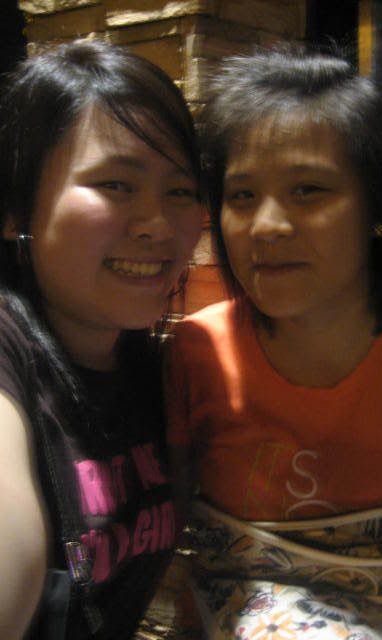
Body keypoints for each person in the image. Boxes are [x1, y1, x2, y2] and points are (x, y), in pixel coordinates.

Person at [166, 46, 382, 639]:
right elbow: (168, 542)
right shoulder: (195, 351)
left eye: (308, 190)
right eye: (242, 196)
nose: (266, 226)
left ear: (378, 208)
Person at [0, 38, 203, 639]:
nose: (158, 226)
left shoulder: (141, 360)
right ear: (16, 209)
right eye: (116, 184)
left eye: (180, 191)